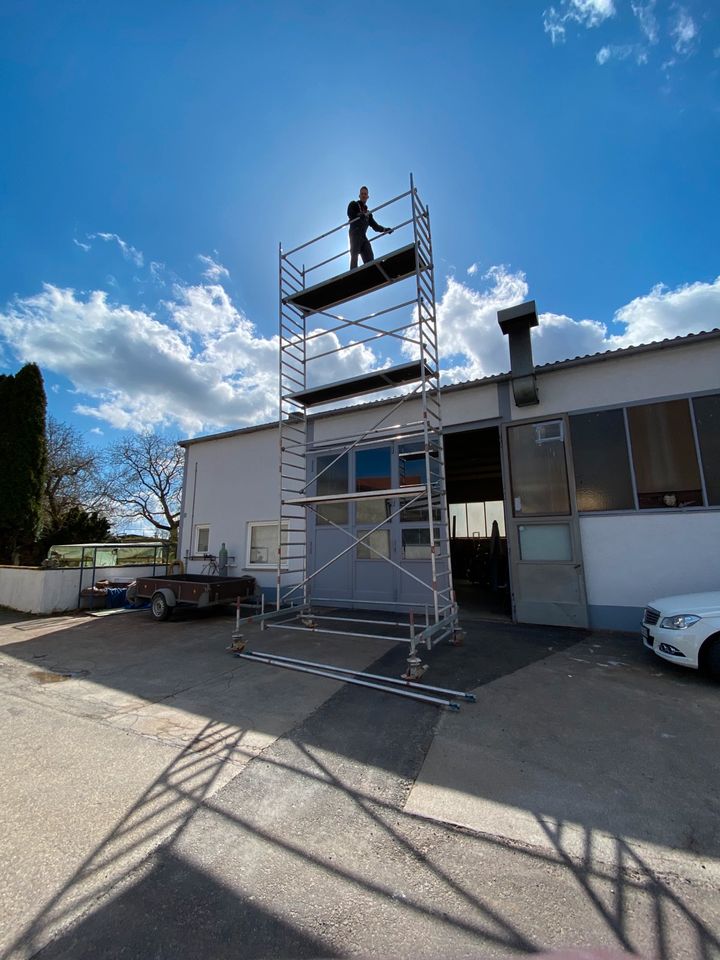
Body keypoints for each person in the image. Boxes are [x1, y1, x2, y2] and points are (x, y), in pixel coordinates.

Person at [347, 186, 392, 269]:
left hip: (363, 237)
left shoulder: (368, 214)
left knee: (369, 257)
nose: (363, 195)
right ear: (359, 196)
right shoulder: (354, 204)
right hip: (355, 235)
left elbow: (375, 226)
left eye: (365, 194)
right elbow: (350, 212)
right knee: (354, 257)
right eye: (362, 194)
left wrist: (385, 229)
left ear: (368, 196)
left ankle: (371, 273)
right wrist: (358, 215)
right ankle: (353, 276)